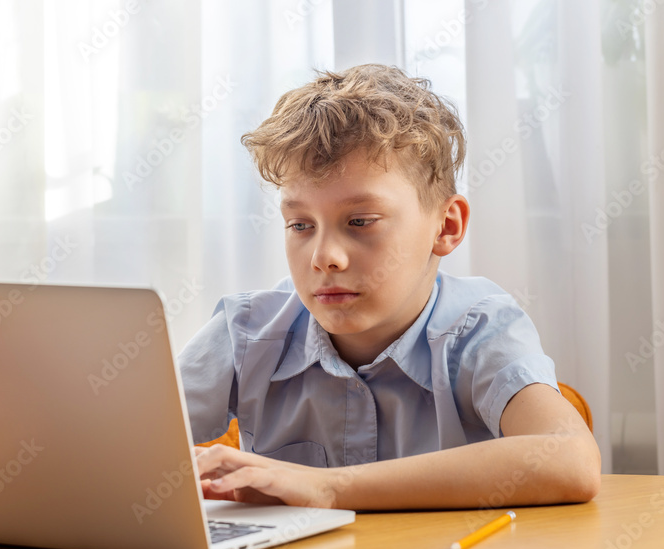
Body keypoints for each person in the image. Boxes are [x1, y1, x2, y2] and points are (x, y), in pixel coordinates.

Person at [179, 64, 600, 510]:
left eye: (360, 222)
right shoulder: (246, 331)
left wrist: (328, 486)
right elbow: (114, 449)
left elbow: (570, 461)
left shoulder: (480, 330)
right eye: (300, 224)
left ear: (446, 225)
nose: (325, 257)